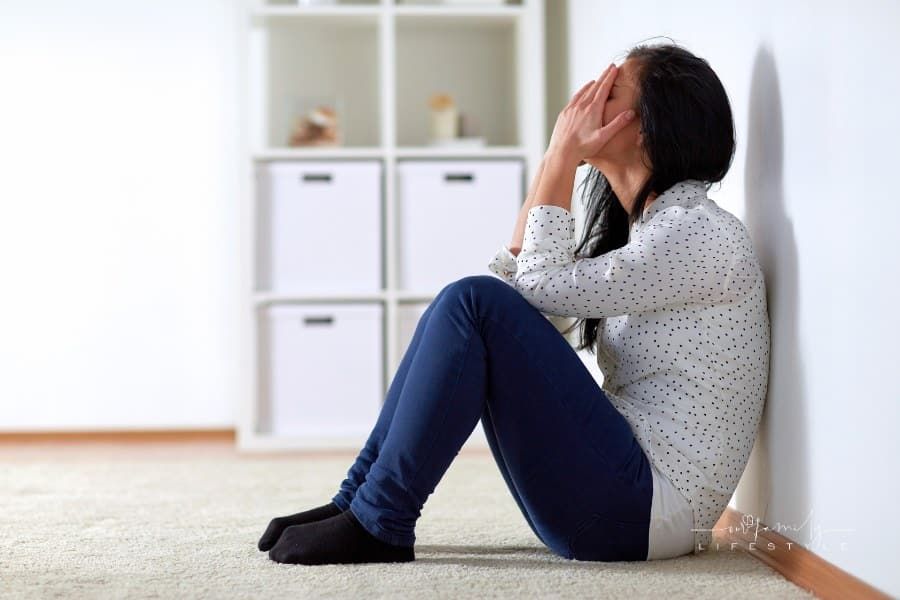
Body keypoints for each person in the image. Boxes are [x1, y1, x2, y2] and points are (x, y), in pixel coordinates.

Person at [257, 41, 770, 566]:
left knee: (471, 302)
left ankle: (380, 520)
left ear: (649, 127)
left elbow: (527, 290)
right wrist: (558, 158)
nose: (581, 104)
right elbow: (523, 292)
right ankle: (358, 503)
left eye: (607, 91)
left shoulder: (696, 234)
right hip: (624, 502)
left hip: (638, 511)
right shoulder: (652, 234)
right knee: (458, 305)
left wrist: (561, 156)